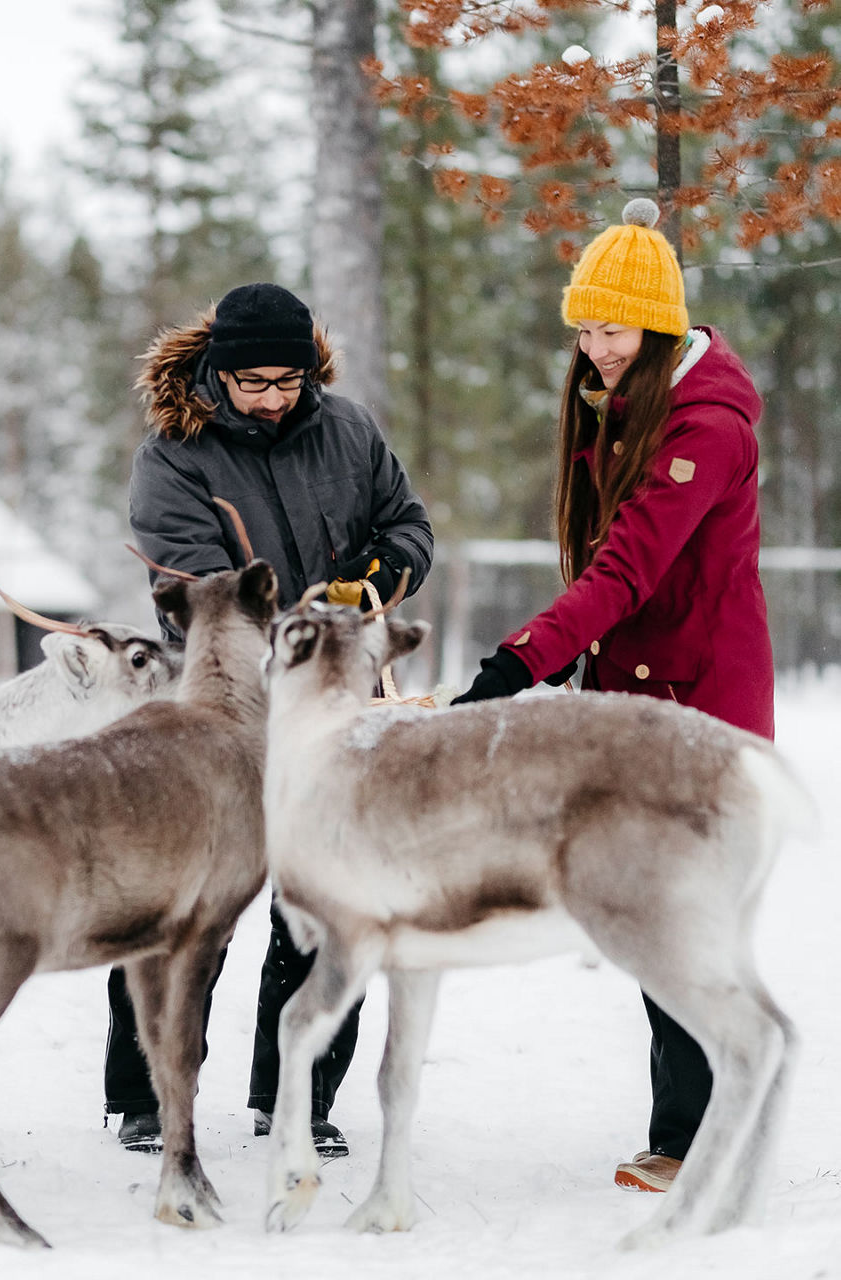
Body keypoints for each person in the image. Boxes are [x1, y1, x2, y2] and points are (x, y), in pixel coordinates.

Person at [453, 199, 774, 1193]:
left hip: (700, 709)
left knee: (675, 919)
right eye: (583, 327)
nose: (592, 348)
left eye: (612, 328)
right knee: (649, 918)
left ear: (659, 328)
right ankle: (687, 1131)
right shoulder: (625, 407)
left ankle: (697, 1138)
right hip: (643, 699)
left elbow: (628, 567)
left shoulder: (704, 427)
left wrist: (518, 661)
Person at [105, 282, 433, 1155]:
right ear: (217, 373)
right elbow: (191, 589)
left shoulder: (350, 429)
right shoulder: (173, 454)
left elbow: (408, 525)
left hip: (331, 710)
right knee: (183, 895)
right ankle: (144, 1092)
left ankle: (296, 1091)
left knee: (326, 893)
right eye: (253, 382)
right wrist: (298, 627)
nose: (273, 398)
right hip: (220, 710)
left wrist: (369, 579)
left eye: (288, 381)